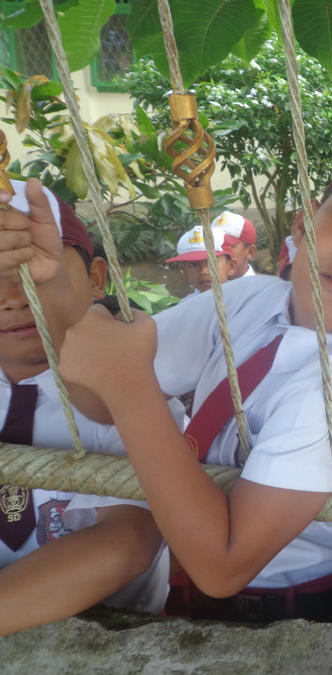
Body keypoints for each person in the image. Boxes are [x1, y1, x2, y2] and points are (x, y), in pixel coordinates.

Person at [0, 121, 332, 625]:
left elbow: (224, 565)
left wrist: (131, 389)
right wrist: (47, 286)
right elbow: (97, 392)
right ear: (304, 221)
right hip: (191, 582)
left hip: (294, 613)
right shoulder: (254, 298)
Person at [0, 180, 169, 635]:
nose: (13, 299)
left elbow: (128, 540)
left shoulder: (131, 381)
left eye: (34, 271)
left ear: (97, 277)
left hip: (107, 635)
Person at [166, 225, 235, 297]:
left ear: (231, 266)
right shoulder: (186, 305)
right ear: (185, 272)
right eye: (193, 264)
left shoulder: (243, 299)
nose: (203, 271)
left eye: (211, 263)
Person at [212, 211, 257, 279]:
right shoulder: (202, 286)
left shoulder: (259, 289)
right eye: (213, 245)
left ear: (250, 252)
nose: (217, 252)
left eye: (226, 246)